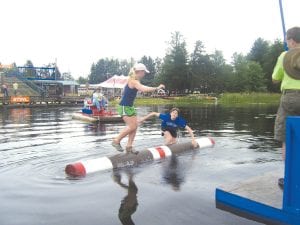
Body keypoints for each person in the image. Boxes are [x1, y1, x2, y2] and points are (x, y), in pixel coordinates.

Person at [112, 63, 165, 152]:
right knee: (132, 126)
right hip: (124, 106)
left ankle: (129, 146)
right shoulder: (133, 81)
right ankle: (116, 141)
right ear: (140, 72)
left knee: (135, 126)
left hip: (129, 106)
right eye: (144, 72)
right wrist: (157, 88)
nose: (144, 74)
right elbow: (143, 89)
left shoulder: (134, 80)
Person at [272, 26, 300, 189]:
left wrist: (286, 60)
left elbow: (275, 78)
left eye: (286, 40)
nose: (286, 43)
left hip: (289, 98)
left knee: (286, 138)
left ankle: (290, 178)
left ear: (291, 41)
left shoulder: (284, 55)